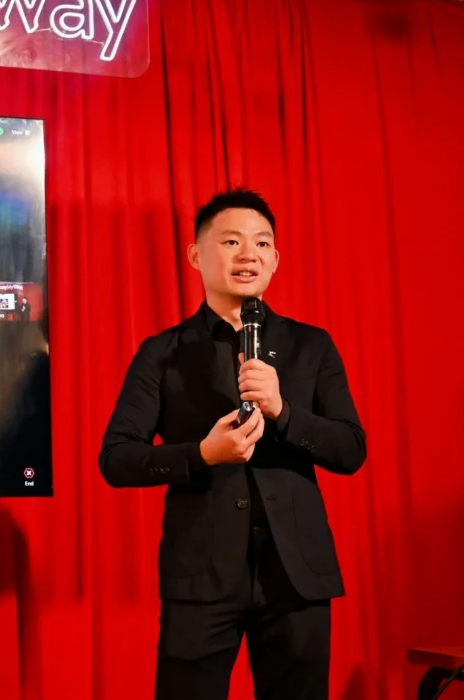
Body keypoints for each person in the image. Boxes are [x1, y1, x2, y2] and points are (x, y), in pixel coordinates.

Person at [98, 188, 366, 700]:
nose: (249, 255)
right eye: (231, 242)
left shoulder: (312, 345)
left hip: (296, 578)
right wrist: (202, 454)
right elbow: (117, 458)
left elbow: (350, 449)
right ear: (196, 255)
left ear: (276, 259)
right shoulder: (162, 352)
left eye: (262, 243)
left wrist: (284, 411)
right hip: (199, 578)